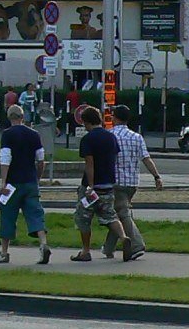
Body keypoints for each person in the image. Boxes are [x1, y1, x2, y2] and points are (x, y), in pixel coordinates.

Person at [0, 105, 51, 265]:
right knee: (36, 213)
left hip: (13, 183)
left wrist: (3, 182)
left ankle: (4, 252)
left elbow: (5, 159)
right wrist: (37, 179)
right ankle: (43, 243)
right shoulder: (34, 134)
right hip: (30, 181)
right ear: (23, 117)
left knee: (8, 215)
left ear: (9, 117)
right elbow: (41, 160)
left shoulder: (8, 135)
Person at [102, 106, 163, 261]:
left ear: (114, 118)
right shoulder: (137, 137)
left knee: (121, 213)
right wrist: (156, 176)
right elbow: (146, 158)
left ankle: (137, 245)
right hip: (132, 182)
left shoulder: (109, 135)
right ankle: (108, 248)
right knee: (119, 212)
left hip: (115, 181)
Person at [71, 105, 127, 262]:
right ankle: (123, 238)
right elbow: (114, 159)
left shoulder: (88, 139)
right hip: (108, 184)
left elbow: (90, 164)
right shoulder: (111, 137)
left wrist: (90, 185)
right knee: (110, 215)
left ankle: (85, 251)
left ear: (86, 122)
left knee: (83, 217)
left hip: (93, 186)